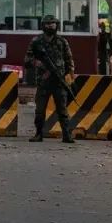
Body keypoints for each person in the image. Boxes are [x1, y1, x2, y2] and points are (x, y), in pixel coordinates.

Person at [24, 14, 75, 143]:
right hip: (43, 81)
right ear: (43, 26)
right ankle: (38, 134)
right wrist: (38, 63)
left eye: (53, 24)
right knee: (40, 110)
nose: (50, 26)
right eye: (48, 24)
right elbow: (27, 60)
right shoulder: (36, 42)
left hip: (59, 81)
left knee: (62, 110)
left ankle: (67, 135)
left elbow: (69, 60)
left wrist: (71, 75)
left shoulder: (62, 42)